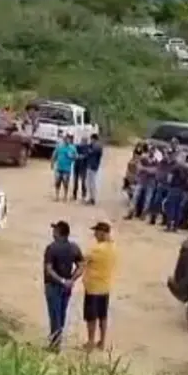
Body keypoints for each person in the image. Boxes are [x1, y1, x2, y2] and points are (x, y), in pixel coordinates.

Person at [43, 220, 83, 351]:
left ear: (58, 233)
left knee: (54, 314)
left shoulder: (51, 248)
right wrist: (71, 280)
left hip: (53, 286)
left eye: (55, 230)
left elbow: (49, 269)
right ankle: (57, 340)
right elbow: (81, 267)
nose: (53, 233)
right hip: (67, 287)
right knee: (62, 313)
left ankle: (55, 344)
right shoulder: (74, 248)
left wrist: (61, 280)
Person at [82, 222, 116, 351]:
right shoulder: (113, 247)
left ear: (102, 233)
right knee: (103, 315)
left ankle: (90, 341)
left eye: (96, 232)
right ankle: (102, 341)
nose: (94, 234)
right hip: (106, 287)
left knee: (91, 316)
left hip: (93, 287)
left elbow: (83, 261)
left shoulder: (96, 249)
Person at [162, 155, 188, 231]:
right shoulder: (186, 169)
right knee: (178, 209)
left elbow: (169, 178)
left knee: (170, 207)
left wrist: (168, 185)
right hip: (182, 190)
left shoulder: (175, 167)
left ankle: (168, 226)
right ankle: (175, 227)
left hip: (174, 188)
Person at [51, 134, 78, 201]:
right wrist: (52, 163)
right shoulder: (59, 146)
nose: (67, 140)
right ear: (64, 139)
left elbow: (76, 157)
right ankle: (57, 196)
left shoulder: (72, 148)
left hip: (67, 169)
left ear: (70, 140)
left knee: (65, 183)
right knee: (57, 182)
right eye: (65, 139)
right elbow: (54, 155)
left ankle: (65, 196)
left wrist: (72, 156)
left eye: (68, 139)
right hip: (59, 168)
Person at [83, 134, 103, 205]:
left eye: (91, 139)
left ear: (93, 139)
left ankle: (92, 198)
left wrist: (88, 149)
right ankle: (92, 198)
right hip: (93, 166)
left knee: (91, 183)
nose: (90, 141)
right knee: (91, 183)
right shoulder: (97, 145)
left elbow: (90, 152)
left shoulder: (96, 146)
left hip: (92, 166)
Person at [71, 136, 90, 201]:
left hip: (83, 167)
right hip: (77, 166)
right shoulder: (77, 146)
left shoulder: (87, 148)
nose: (83, 142)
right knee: (75, 181)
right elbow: (74, 153)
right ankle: (74, 195)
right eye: (82, 141)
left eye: (84, 141)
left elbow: (86, 156)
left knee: (83, 182)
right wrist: (76, 156)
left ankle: (83, 195)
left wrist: (80, 156)